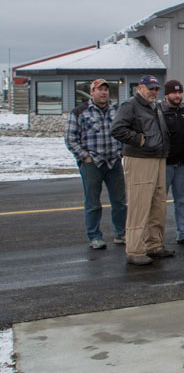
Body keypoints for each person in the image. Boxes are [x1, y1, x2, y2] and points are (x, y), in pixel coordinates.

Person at [111, 75, 172, 265]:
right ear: (140, 88)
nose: (153, 92)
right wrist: (140, 140)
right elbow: (117, 129)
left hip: (158, 158)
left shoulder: (156, 107)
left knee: (158, 204)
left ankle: (154, 245)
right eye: (150, 88)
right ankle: (135, 249)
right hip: (140, 159)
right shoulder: (130, 106)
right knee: (139, 205)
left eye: (156, 89)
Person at [65, 78, 127, 250]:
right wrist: (85, 157)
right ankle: (94, 236)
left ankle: (121, 233)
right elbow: (71, 139)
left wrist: (121, 152)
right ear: (91, 92)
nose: (103, 93)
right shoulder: (79, 112)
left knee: (120, 201)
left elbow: (123, 133)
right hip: (92, 164)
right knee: (93, 202)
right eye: (99, 89)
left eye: (106, 90)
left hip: (114, 162)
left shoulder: (116, 111)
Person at [161, 79, 184, 246]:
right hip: (165, 164)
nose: (177, 95)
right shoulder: (159, 111)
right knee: (159, 202)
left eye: (179, 92)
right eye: (174, 92)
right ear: (166, 94)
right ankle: (155, 238)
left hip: (183, 164)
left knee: (182, 201)